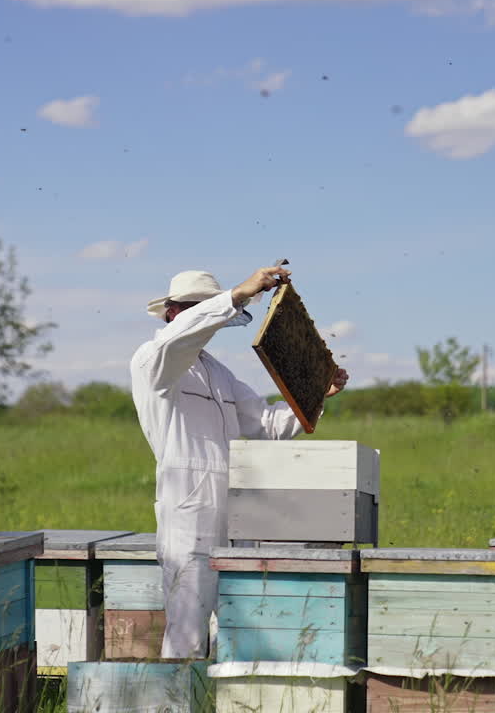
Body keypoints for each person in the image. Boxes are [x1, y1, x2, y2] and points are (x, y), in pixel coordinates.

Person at [129, 266, 350, 659]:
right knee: (187, 624)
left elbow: (268, 424)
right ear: (173, 313)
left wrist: (317, 391)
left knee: (239, 616)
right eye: (202, 311)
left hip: (236, 507)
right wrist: (235, 295)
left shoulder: (219, 374)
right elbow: (176, 343)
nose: (211, 323)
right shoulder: (153, 361)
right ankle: (180, 697)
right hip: (188, 506)